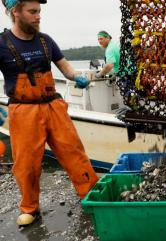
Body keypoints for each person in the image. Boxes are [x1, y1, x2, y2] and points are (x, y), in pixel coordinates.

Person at [0, 0, 99, 226]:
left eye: (39, 11)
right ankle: (30, 208)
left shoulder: (46, 41)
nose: (38, 16)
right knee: (26, 163)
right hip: (23, 111)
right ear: (15, 12)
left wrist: (77, 77)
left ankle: (90, 195)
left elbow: (65, 67)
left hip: (54, 107)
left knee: (74, 152)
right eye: (32, 12)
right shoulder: (2, 43)